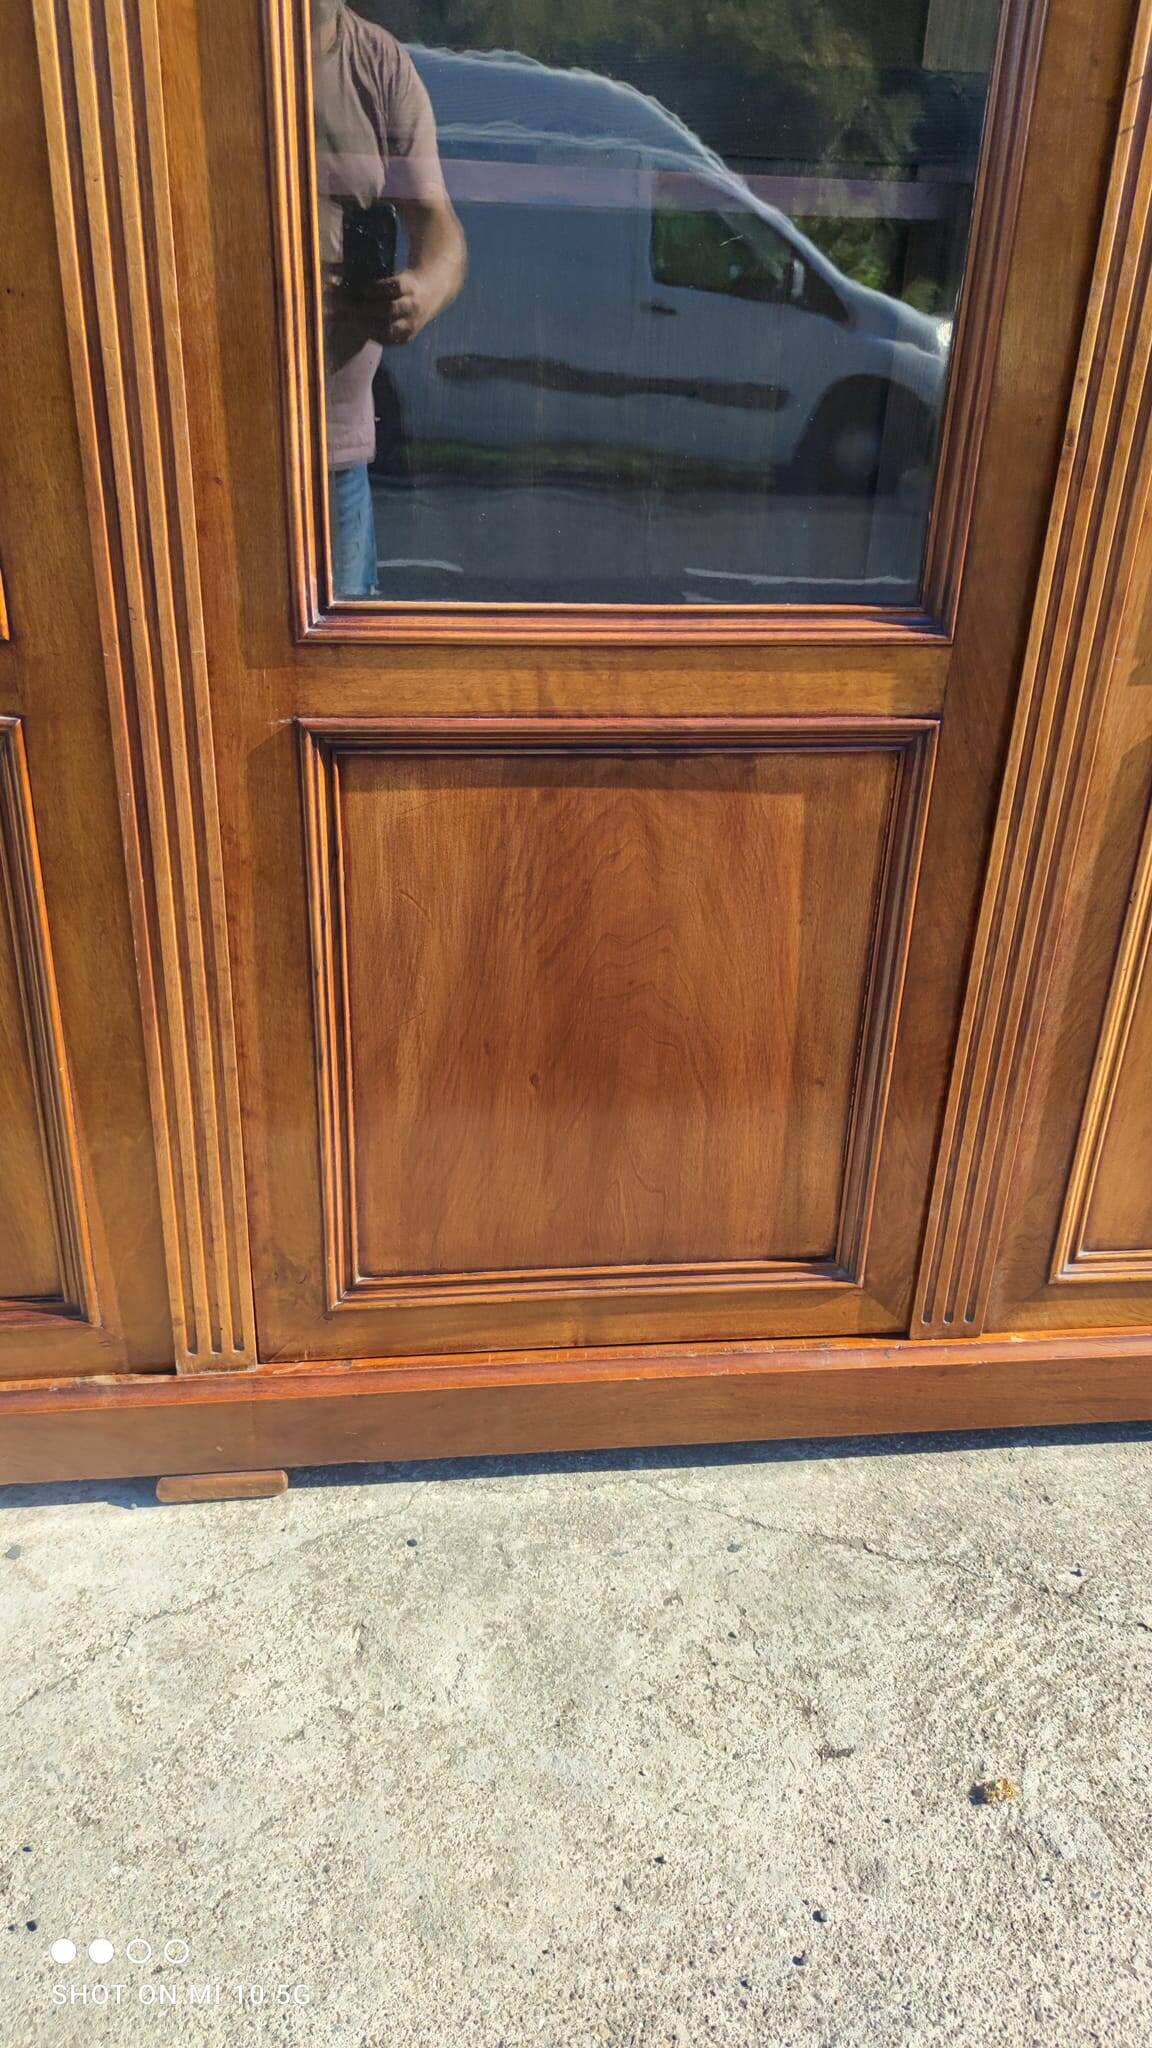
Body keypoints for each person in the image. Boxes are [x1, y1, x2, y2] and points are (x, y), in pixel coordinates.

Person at [312, 0, 467, 595]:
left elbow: (439, 225)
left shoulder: (378, 64)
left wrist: (422, 291)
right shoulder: (215, 55)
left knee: (341, 662)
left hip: (334, 451)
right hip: (219, 434)